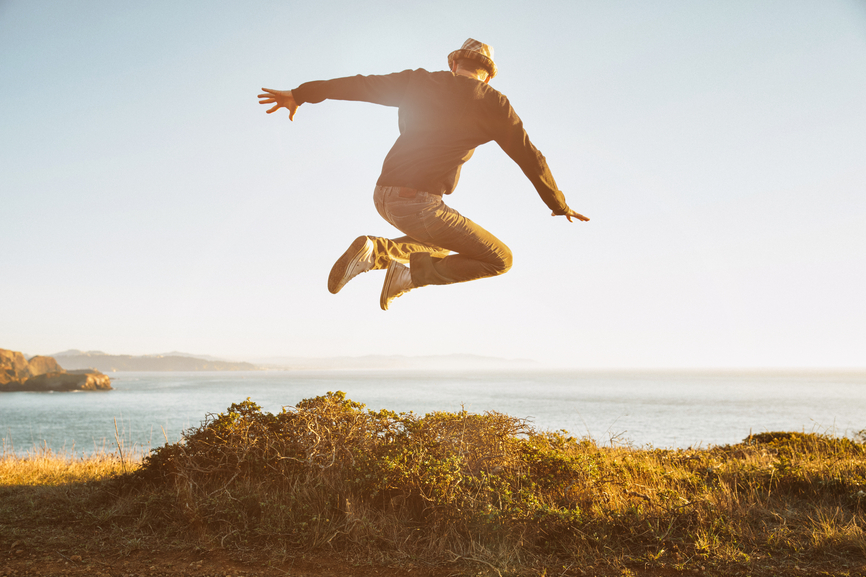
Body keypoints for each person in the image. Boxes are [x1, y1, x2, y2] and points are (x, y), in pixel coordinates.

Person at [258, 38, 588, 310]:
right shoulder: (493, 103)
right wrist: (558, 204)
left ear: (454, 65)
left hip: (383, 195)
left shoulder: (418, 81)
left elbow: (359, 86)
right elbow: (530, 157)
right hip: (418, 204)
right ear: (487, 75)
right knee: (499, 259)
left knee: (439, 248)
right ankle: (393, 266)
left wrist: (301, 93)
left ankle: (386, 258)